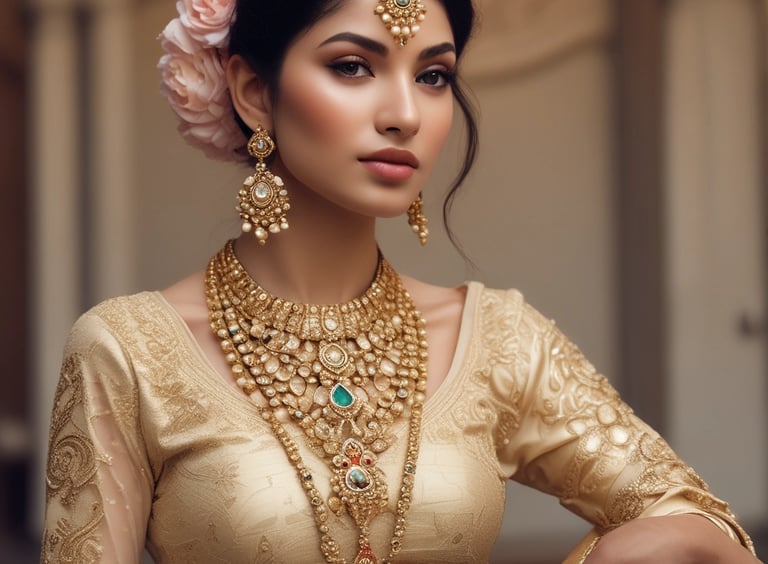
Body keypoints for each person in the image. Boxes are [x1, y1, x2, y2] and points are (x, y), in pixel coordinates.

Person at [40, 1, 761, 563]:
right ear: (254, 92)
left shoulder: (495, 340)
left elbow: (696, 522)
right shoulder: (131, 351)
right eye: (353, 66)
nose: (406, 115)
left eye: (433, 76)